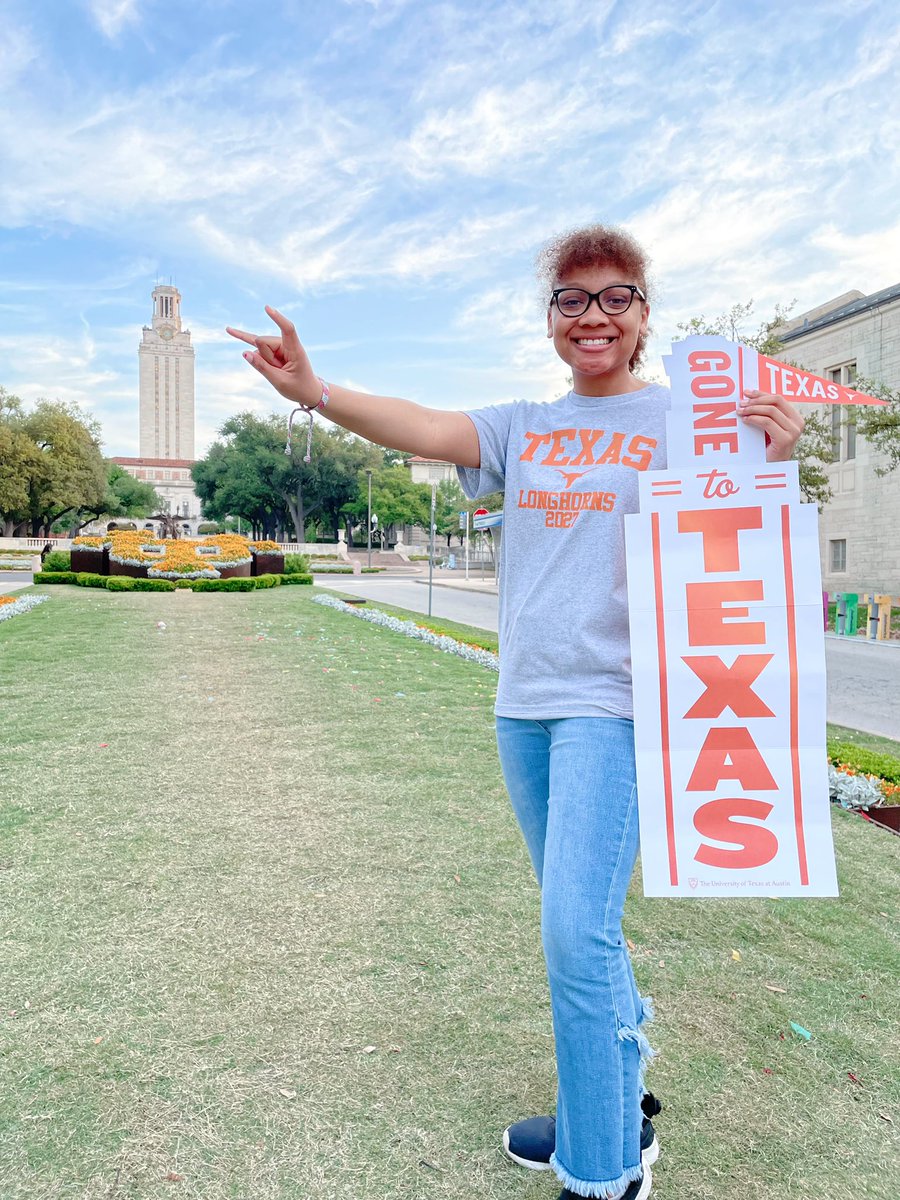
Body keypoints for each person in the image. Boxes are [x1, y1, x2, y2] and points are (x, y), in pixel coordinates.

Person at [227, 224, 803, 1200]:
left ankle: (604, 1169)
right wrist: (313, 393)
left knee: (578, 936)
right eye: (572, 299)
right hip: (523, 707)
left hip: (612, 707)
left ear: (643, 315)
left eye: (615, 296)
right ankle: (610, 1109)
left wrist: (770, 461)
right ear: (550, 321)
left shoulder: (683, 418)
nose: (594, 316)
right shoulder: (524, 428)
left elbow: (736, 537)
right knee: (581, 931)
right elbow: (418, 424)